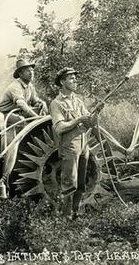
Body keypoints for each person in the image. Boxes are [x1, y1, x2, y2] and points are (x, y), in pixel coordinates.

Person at [50, 67, 96, 219]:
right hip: (69, 146)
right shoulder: (56, 103)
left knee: (81, 184)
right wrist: (78, 120)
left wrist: (95, 114)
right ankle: (66, 218)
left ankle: (75, 214)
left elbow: (88, 121)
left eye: (75, 78)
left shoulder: (77, 100)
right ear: (62, 82)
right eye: (71, 78)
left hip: (83, 145)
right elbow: (59, 127)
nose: (75, 80)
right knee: (70, 184)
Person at [0, 58, 48, 185]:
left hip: (19, 118)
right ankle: (4, 178)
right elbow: (21, 104)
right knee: (11, 148)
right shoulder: (15, 86)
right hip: (7, 118)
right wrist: (35, 117)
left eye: (32, 70)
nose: (31, 73)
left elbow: (34, 100)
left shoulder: (30, 86)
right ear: (20, 74)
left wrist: (42, 103)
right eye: (27, 71)